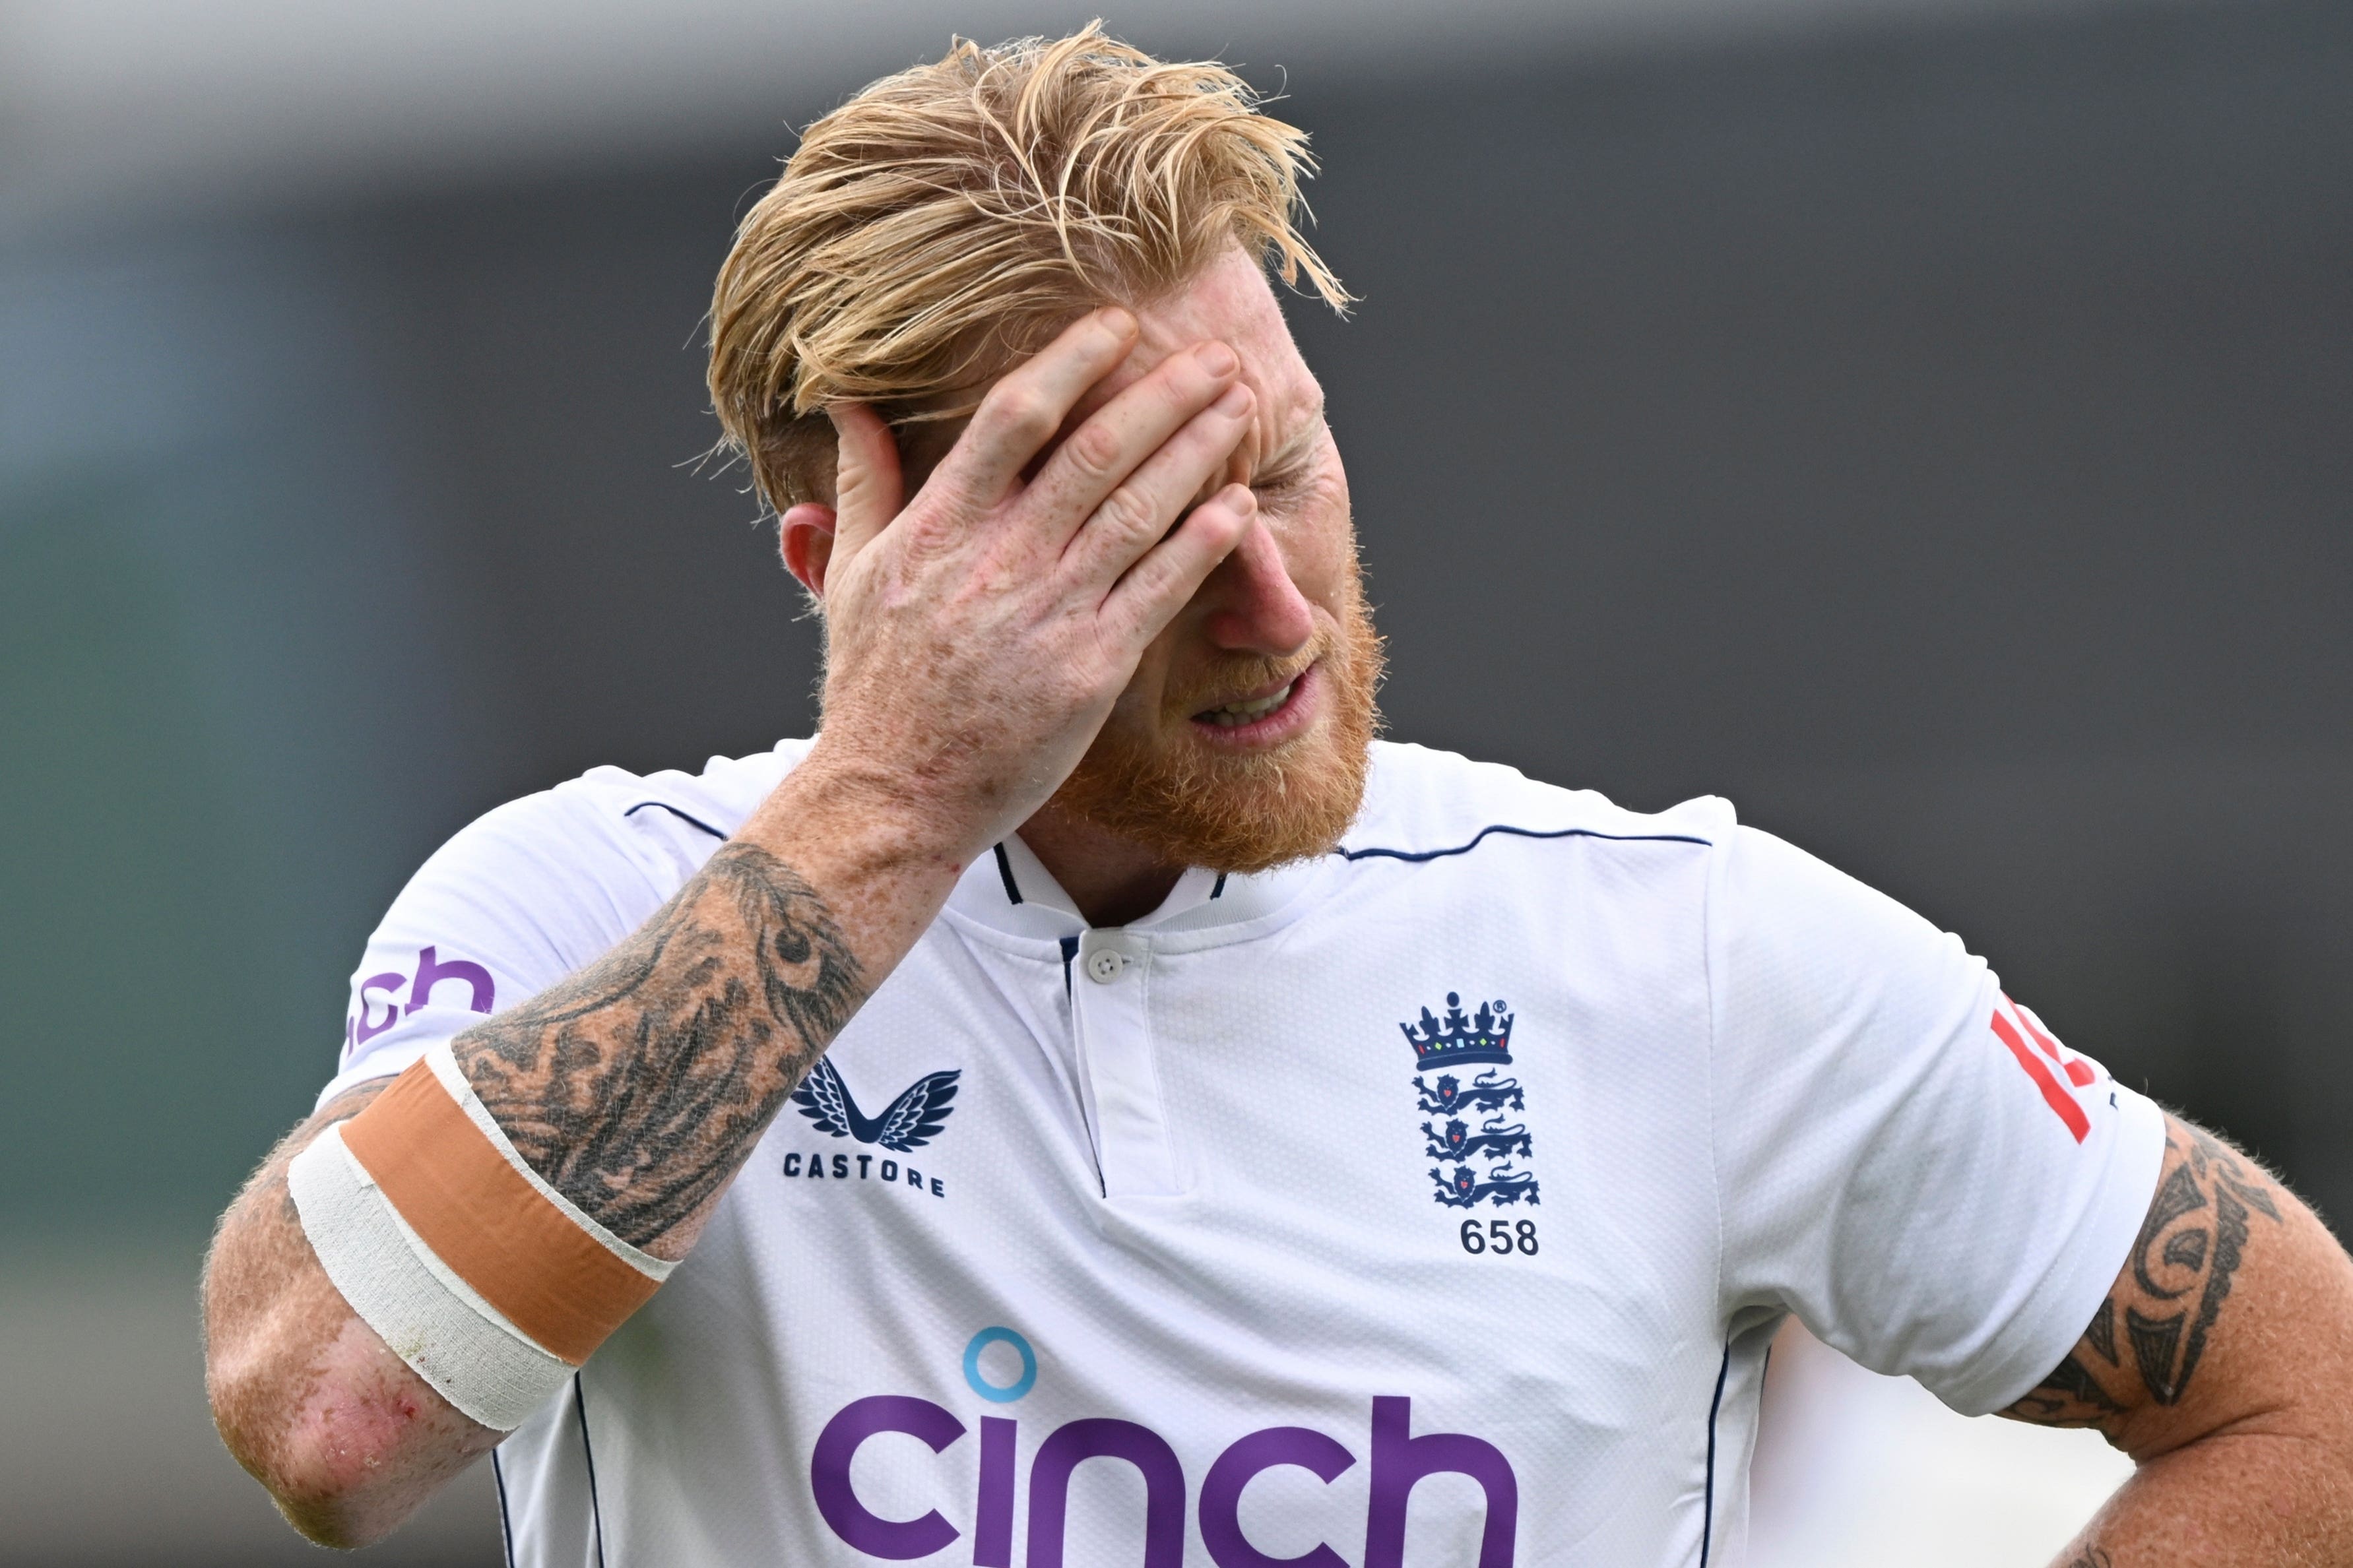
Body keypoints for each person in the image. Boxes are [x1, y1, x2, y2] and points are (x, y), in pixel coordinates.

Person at [202, 28, 2353, 1567]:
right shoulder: (592, 893)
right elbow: (327, 1415)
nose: (1263, 601)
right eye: (1122, 528)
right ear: (850, 571)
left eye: (1284, 462)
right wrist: (891, 793)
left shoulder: (1686, 950)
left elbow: (2312, 1400)